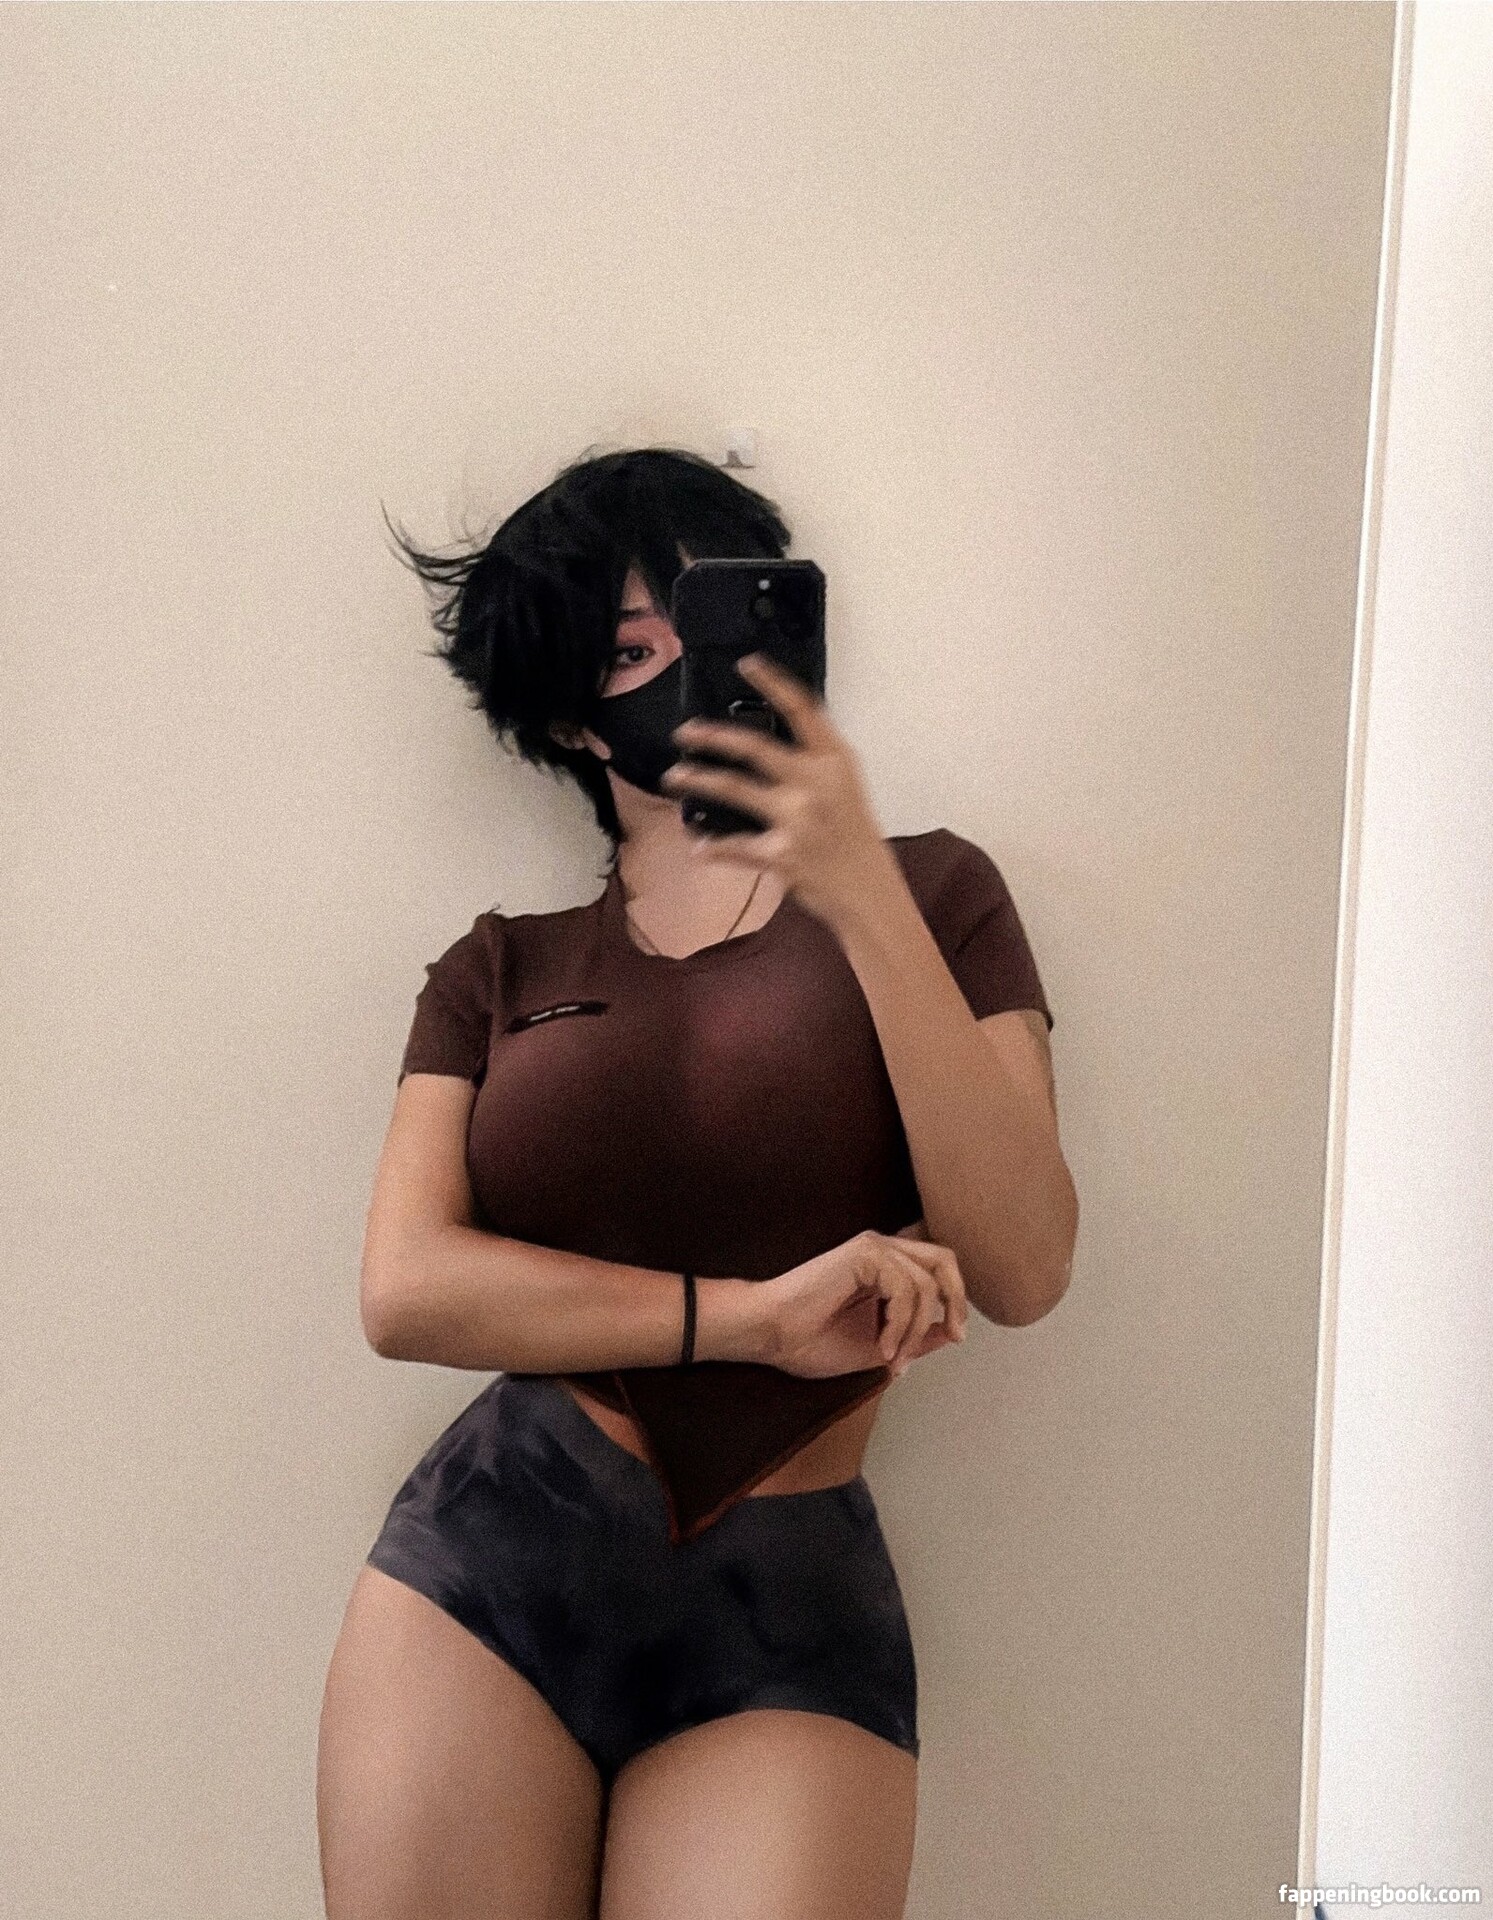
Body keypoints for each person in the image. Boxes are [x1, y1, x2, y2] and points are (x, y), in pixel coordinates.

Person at [316, 445, 1078, 1920]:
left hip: (784, 1598)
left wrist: (854, 886)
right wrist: (750, 1318)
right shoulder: (497, 969)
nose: (680, 671)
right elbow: (406, 1290)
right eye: (626, 651)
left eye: (706, 621)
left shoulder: (938, 892)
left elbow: (1027, 1263)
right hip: (486, 1566)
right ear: (566, 717)